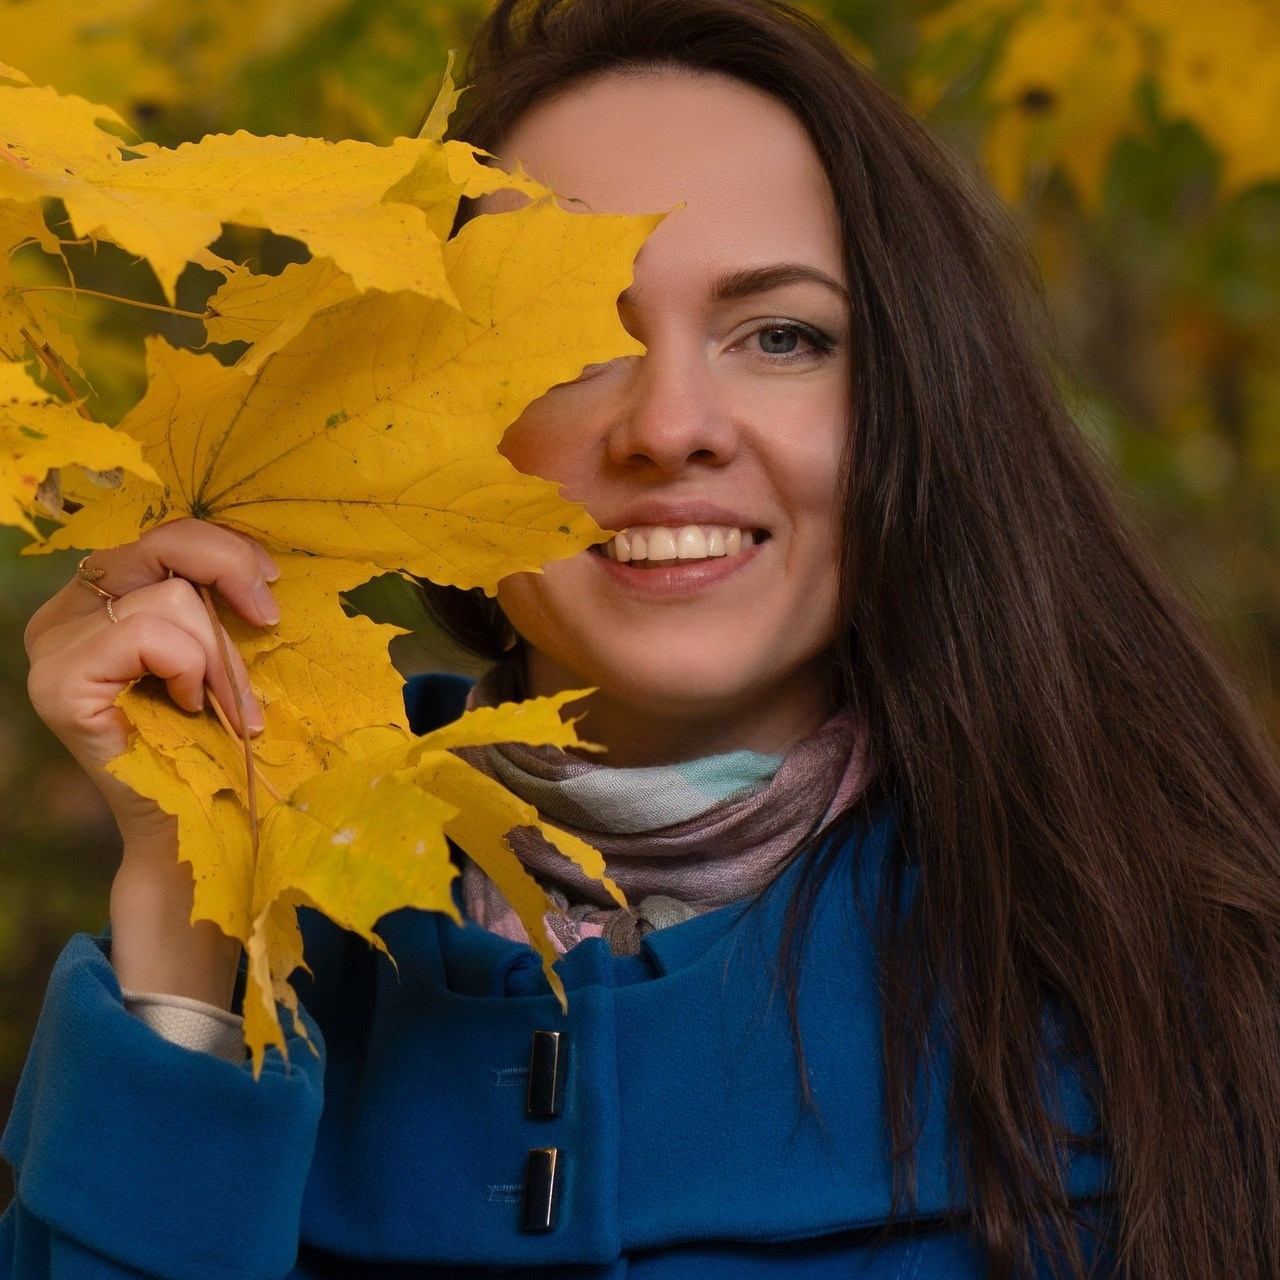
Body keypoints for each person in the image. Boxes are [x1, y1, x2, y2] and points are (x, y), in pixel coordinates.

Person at [5, 0, 1280, 1275]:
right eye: (570, 349)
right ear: (418, 421)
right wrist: (192, 917)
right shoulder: (289, 962)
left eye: (780, 336)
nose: (670, 425)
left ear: (911, 402)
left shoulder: (1175, 976)